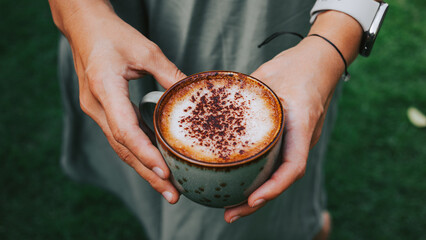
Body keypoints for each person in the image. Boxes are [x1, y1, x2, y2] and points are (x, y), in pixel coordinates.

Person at [48, 0, 368, 239]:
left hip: (261, 19)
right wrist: (81, 15)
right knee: (140, 157)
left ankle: (303, 225)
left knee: (267, 205)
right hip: (114, 21)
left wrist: (331, 42)